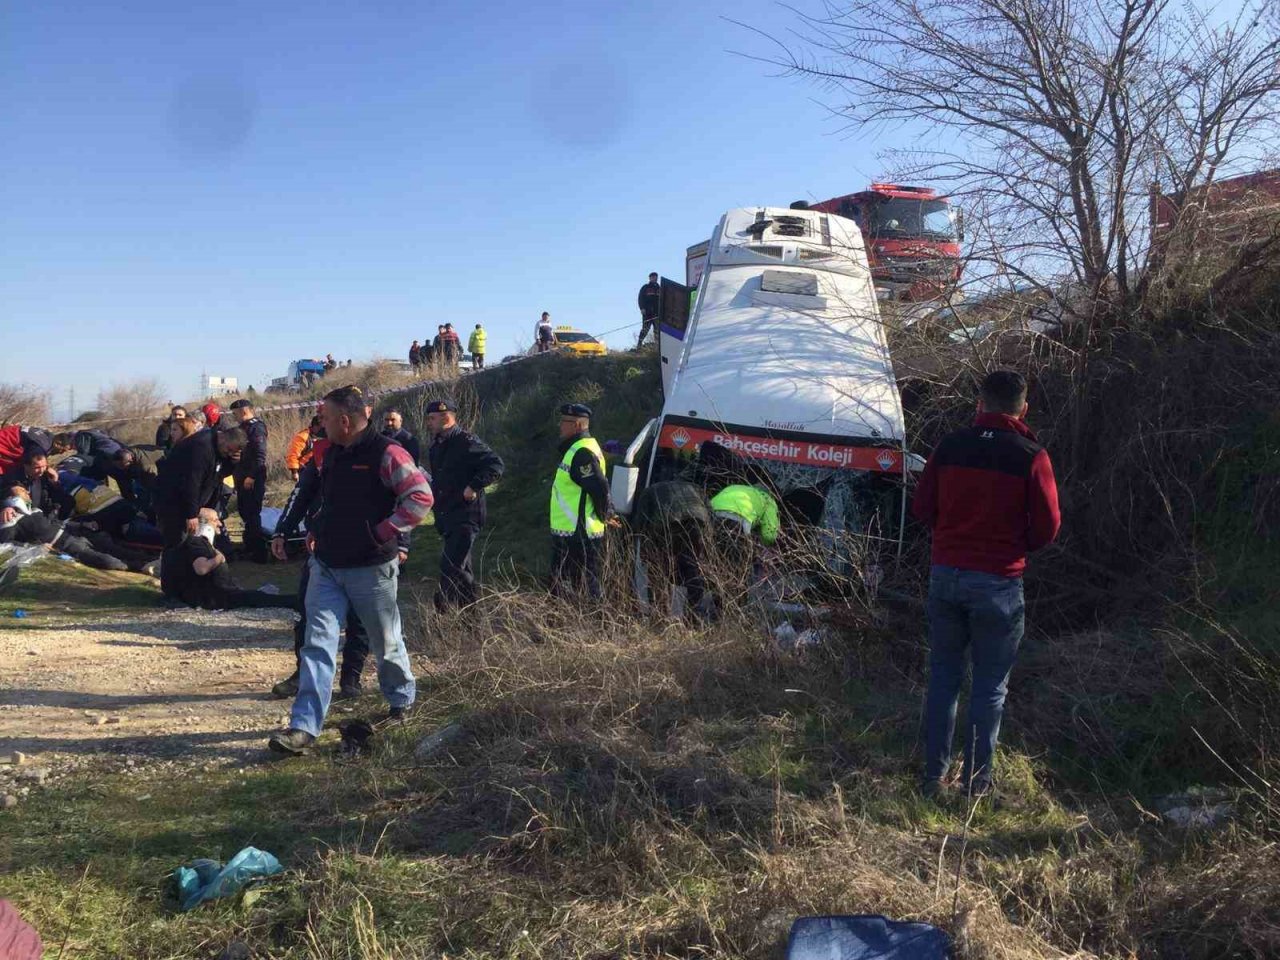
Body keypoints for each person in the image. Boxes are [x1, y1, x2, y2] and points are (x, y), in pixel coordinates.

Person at [912, 369, 1061, 801]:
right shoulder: (1032, 455)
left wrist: (952, 534)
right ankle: (975, 787)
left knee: (943, 678)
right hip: (999, 582)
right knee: (989, 687)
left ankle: (932, 780)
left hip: (947, 575)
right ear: (1023, 409)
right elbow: (1048, 528)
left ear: (980, 404)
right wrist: (1016, 545)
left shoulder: (950, 447)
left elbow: (923, 507)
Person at [267, 384, 433, 756]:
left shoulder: (387, 453)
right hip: (325, 564)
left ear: (344, 420)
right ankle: (304, 727)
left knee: (385, 640)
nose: (319, 425)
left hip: (371, 568)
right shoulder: (328, 452)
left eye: (324, 418)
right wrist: (315, 528)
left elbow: (421, 497)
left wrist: (384, 532)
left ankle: (401, 701)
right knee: (317, 644)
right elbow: (324, 496)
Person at [269, 420, 375, 701]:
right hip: (322, 550)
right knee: (305, 613)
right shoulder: (320, 452)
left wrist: (400, 543)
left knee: (359, 617)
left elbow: (401, 498)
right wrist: (282, 530)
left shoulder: (378, 450)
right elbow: (300, 495)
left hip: (365, 551)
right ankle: (303, 673)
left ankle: (351, 678)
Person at [424, 399, 504, 610]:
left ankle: (441, 614)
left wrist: (474, 486)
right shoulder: (437, 445)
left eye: (432, 419)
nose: (428, 423)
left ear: (446, 417)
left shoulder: (466, 441)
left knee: (451, 567)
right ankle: (470, 619)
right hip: (448, 515)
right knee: (462, 570)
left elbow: (495, 464)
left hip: (466, 516)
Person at [160, 508, 298, 610]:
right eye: (216, 520)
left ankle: (298, 600)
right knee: (262, 599)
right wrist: (219, 558)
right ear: (205, 524)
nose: (220, 524)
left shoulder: (199, 543)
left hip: (220, 594)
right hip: (219, 598)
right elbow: (201, 568)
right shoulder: (197, 543)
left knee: (260, 596)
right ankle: (299, 601)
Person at [548, 402, 612, 601]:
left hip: (578, 532)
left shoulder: (582, 452)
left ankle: (593, 623)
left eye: (564, 422)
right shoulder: (578, 448)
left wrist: (607, 514)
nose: (560, 426)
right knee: (570, 582)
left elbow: (599, 487)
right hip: (573, 531)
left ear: (577, 425)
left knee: (579, 583)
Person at [632, 480, 715, 621]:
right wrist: (707, 543)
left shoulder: (649, 491)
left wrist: (645, 554)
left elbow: (640, 523)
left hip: (666, 522)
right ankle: (693, 615)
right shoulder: (694, 486)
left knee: (658, 571)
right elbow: (710, 513)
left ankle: (659, 615)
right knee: (692, 566)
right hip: (697, 519)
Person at [154, 425, 247, 547]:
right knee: (177, 542)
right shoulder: (202, 447)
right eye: (228, 449)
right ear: (223, 437)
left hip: (196, 502)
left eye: (232, 452)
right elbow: (192, 482)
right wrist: (191, 514)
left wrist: (233, 463)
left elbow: (218, 474)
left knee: (195, 544)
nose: (228, 453)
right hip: (175, 500)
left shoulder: (219, 449)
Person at [228, 399, 269, 562]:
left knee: (252, 514)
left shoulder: (256, 427)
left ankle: (259, 552)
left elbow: (260, 455)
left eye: (235, 413)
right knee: (245, 512)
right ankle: (249, 546)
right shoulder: (242, 428)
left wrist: (252, 476)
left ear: (244, 411)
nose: (234, 417)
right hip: (241, 475)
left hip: (252, 477)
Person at [285, 415, 322, 482]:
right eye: (321, 427)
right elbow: (293, 454)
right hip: (305, 471)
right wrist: (294, 472)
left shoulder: (329, 437)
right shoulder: (303, 437)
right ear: (315, 426)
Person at [637, 271, 661, 347]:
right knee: (645, 329)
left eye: (656, 277)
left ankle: (657, 345)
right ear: (650, 278)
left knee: (657, 330)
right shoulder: (645, 287)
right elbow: (640, 298)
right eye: (653, 277)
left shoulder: (659, 289)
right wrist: (642, 308)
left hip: (657, 313)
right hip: (647, 313)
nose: (655, 278)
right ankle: (639, 344)